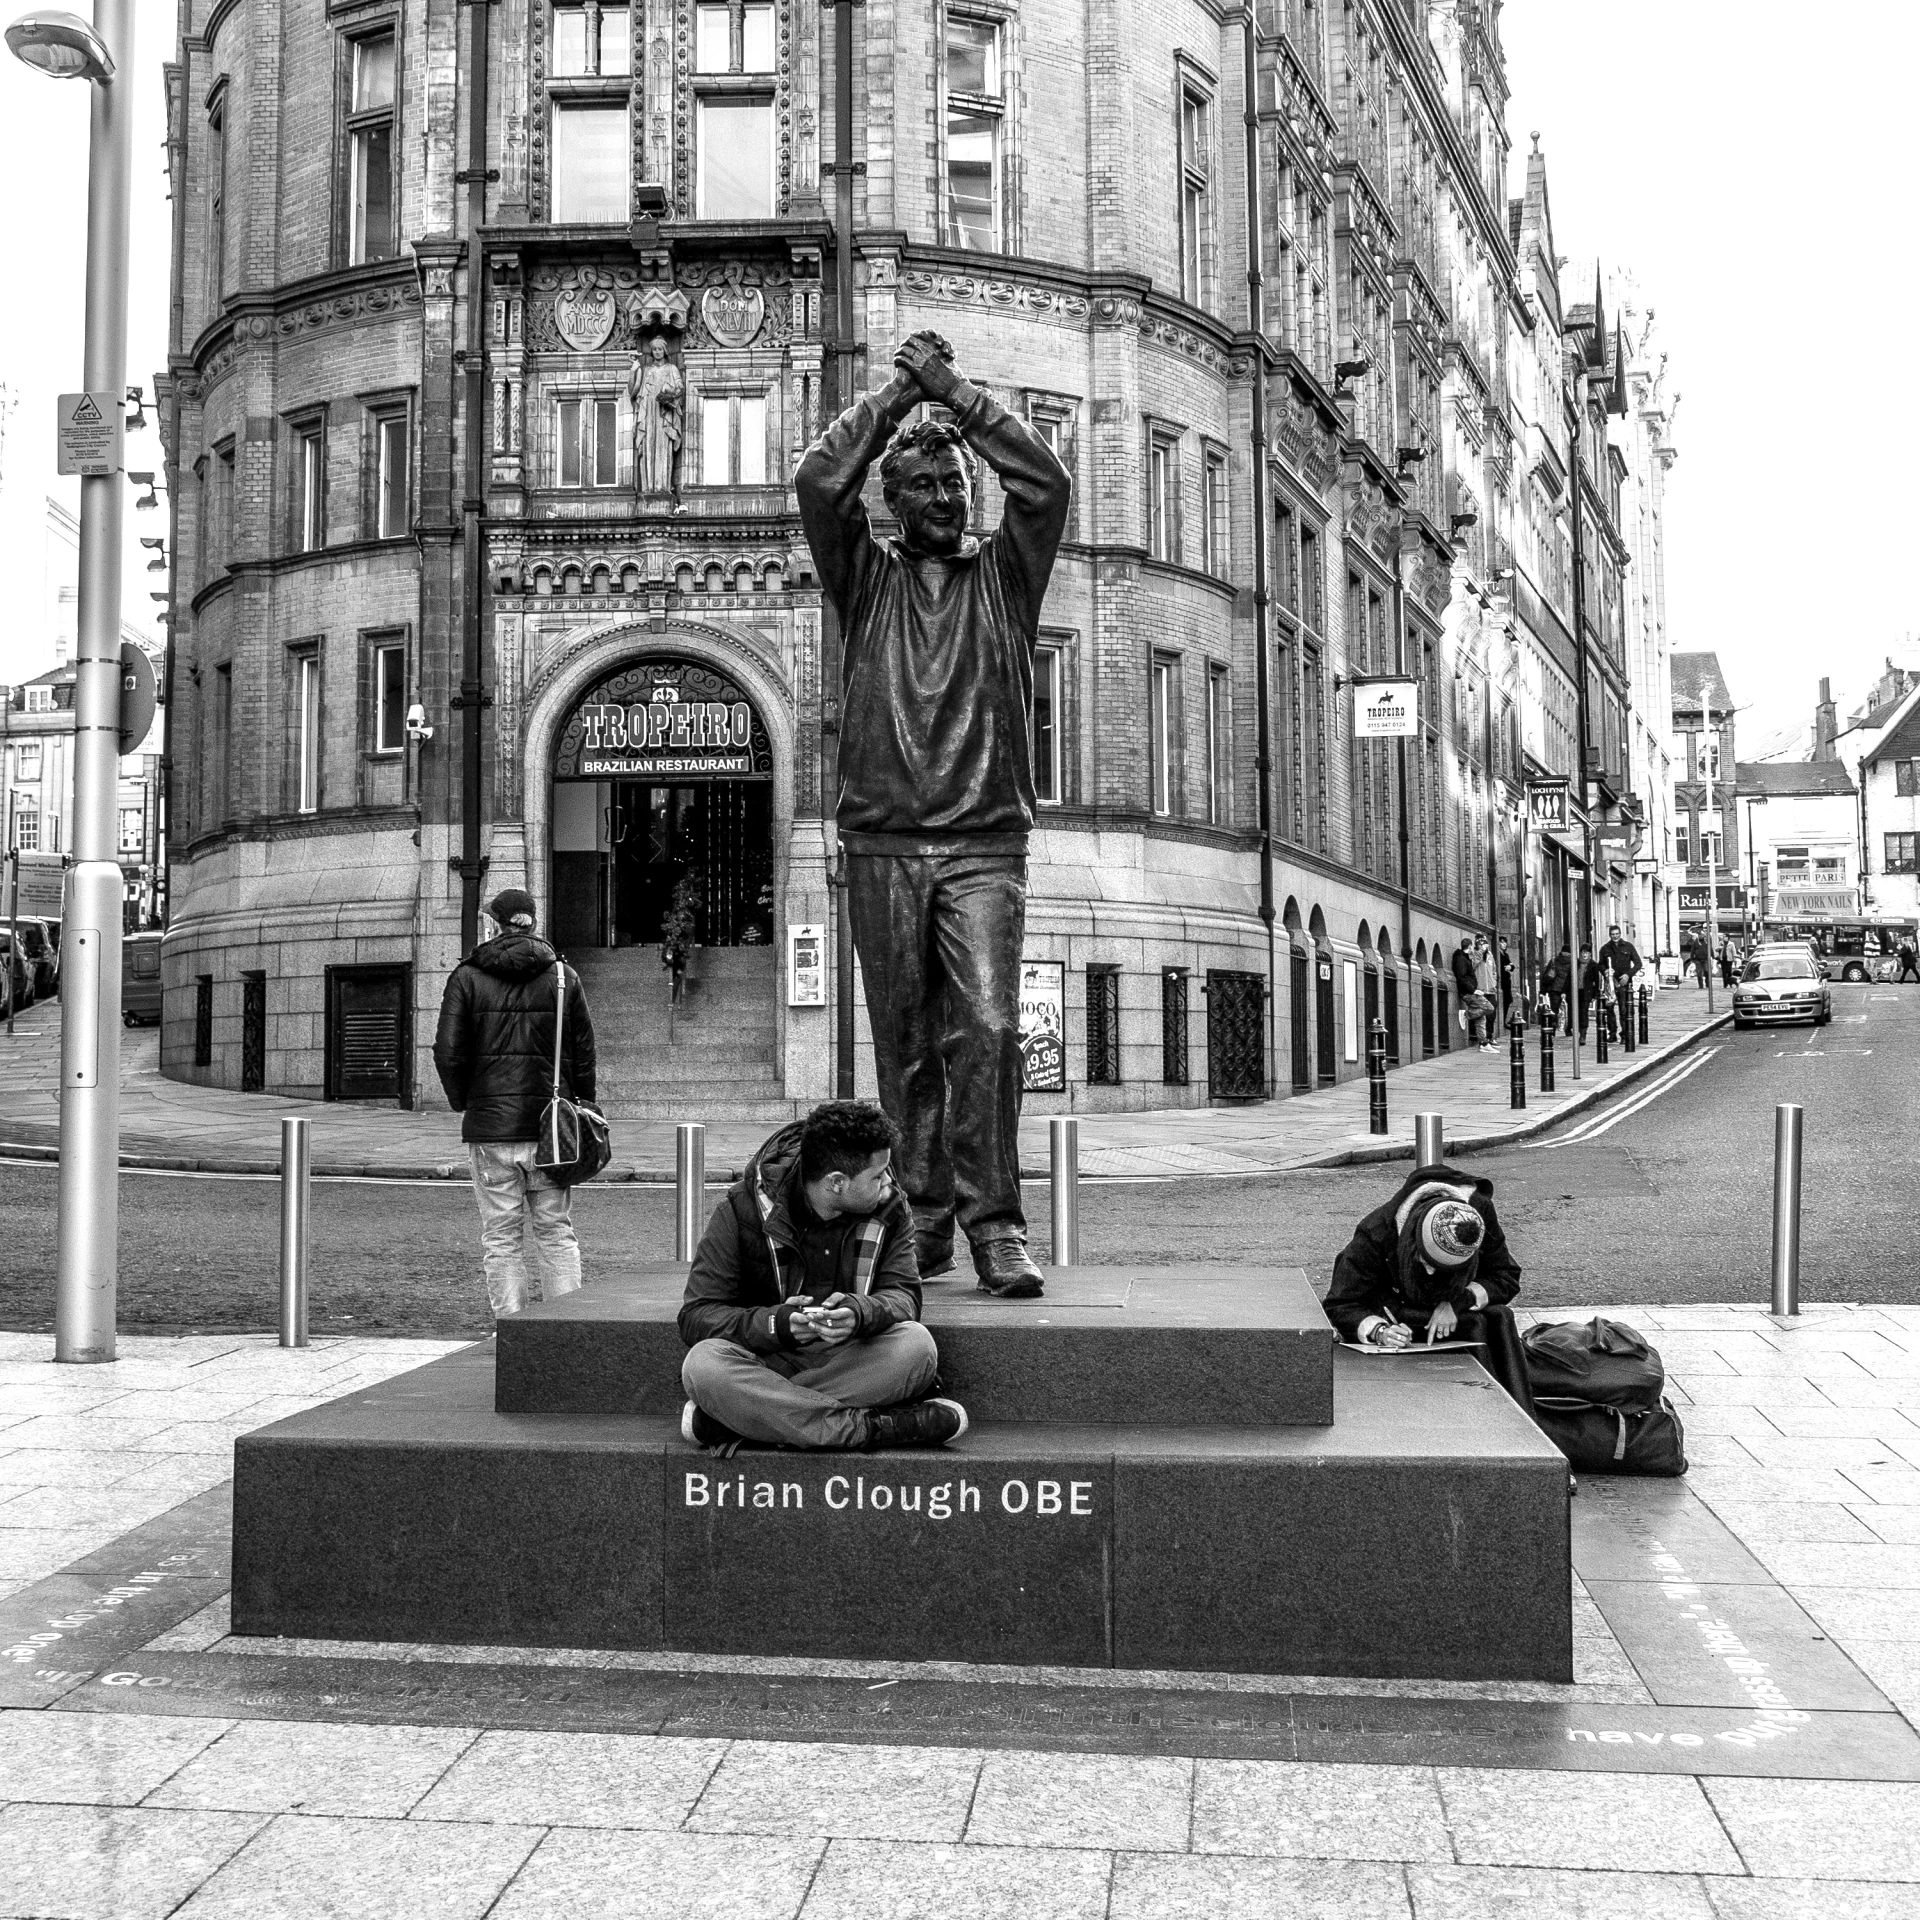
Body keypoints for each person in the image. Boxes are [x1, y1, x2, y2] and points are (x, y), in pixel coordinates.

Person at [796, 329, 1072, 1299]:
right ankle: (924, 1218)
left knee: (989, 1028)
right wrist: (892, 399)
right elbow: (817, 481)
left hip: (985, 843)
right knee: (905, 1044)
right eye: (926, 490)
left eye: (957, 485)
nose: (949, 499)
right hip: (881, 843)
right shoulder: (863, 581)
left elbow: (1045, 483)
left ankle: (997, 1221)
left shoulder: (1007, 577)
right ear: (895, 506)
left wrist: (955, 397)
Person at [678, 1099, 967, 1453]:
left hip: (848, 1359)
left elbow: (904, 1296)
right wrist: (775, 1324)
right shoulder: (742, 1209)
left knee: (916, 1347)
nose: (887, 1181)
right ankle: (873, 1428)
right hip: (766, 1360)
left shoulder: (891, 1206)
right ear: (836, 1183)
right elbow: (697, 1315)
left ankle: (746, 1418)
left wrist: (861, 1313)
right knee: (704, 1365)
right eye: (876, 1175)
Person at [433, 888, 598, 1320]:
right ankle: (560, 1331)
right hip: (550, 1130)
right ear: (532, 923)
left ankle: (511, 1333)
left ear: (494, 924)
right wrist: (586, 1104)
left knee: (501, 1237)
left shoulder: (467, 977)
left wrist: (465, 1102)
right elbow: (583, 1049)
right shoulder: (563, 977)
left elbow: (447, 1052)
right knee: (556, 1232)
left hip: (491, 1130)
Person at [1322, 1163, 1535, 1414]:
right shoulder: (1377, 1232)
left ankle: (1517, 1416)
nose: (1433, 1273)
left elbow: (1505, 1276)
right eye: (1427, 1262)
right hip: (1399, 1319)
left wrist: (1458, 1300)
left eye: (1447, 1269)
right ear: (1412, 1240)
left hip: (1456, 1316)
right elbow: (1340, 1304)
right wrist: (1380, 1331)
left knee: (1498, 1317)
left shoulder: (1475, 1216)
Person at [1450, 937, 1484, 1046]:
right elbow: (1461, 978)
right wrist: (1473, 990)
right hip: (1468, 993)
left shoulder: (1464, 958)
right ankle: (1466, 1014)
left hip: (1471, 991)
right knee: (1487, 1007)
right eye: (1472, 947)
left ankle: (1483, 1043)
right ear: (1469, 947)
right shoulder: (1461, 959)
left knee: (1481, 1015)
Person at [1472, 935, 1501, 1052]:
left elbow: (1494, 970)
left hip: (1491, 989)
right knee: (1482, 1015)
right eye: (1481, 943)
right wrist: (1480, 952)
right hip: (1481, 990)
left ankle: (1490, 1036)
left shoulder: (1490, 955)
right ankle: (1483, 1040)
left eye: (1485, 943)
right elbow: (1473, 965)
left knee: (1492, 1012)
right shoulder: (1475, 954)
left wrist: (1494, 982)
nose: (1484, 945)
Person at [1575, 943, 1603, 1045]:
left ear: (1590, 953)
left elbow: (1596, 980)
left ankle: (1583, 1035)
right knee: (1576, 1013)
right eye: (1583, 952)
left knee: (1583, 1013)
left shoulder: (1593, 965)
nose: (1584, 954)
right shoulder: (1576, 963)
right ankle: (1578, 1032)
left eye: (1586, 952)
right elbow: (1569, 977)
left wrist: (1595, 994)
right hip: (1575, 991)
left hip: (1586, 992)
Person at [1544, 942, 1573, 1036]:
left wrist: (1543, 989)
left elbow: (1547, 975)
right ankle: (1568, 1029)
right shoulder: (1573, 961)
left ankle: (1552, 1029)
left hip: (1555, 987)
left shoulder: (1554, 960)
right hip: (1569, 988)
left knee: (1554, 1009)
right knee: (1570, 1010)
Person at [1497, 936, 1515, 1022]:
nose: (1504, 944)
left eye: (1505, 942)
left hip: (1507, 982)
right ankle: (1502, 1020)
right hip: (1502, 981)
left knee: (1508, 1001)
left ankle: (1504, 1020)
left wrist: (1509, 966)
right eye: (1502, 942)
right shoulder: (1497, 954)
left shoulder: (1506, 955)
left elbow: (1512, 966)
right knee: (1504, 1001)